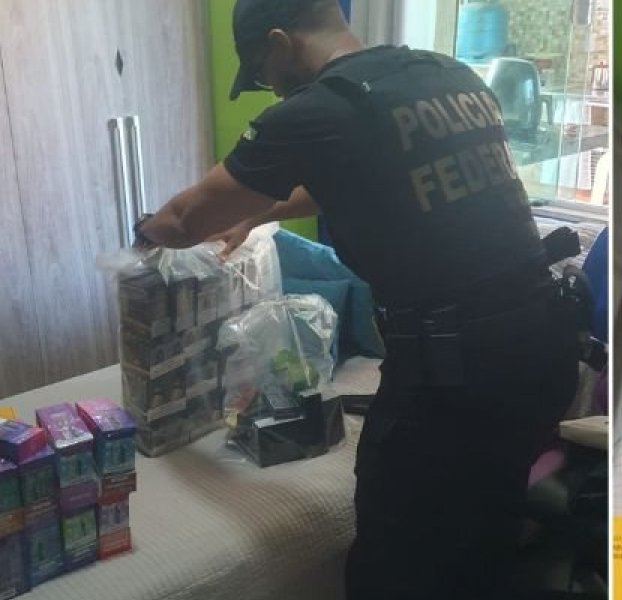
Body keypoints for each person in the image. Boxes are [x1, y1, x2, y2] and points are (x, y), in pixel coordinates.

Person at [136, 0, 581, 598]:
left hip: (454, 377)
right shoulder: (444, 74)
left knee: (392, 566)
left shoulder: (315, 110)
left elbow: (186, 218)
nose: (270, 88)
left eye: (261, 74)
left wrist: (143, 234)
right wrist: (256, 214)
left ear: (279, 42)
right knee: (483, 535)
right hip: (540, 349)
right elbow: (359, 175)